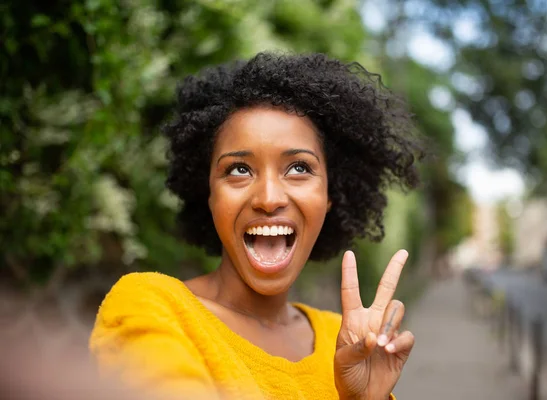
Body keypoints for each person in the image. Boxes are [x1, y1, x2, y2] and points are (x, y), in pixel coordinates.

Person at [89, 52, 422, 400]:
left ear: (329, 197)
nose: (268, 198)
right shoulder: (151, 306)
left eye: (298, 168)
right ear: (209, 195)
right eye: (238, 169)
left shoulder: (345, 339)